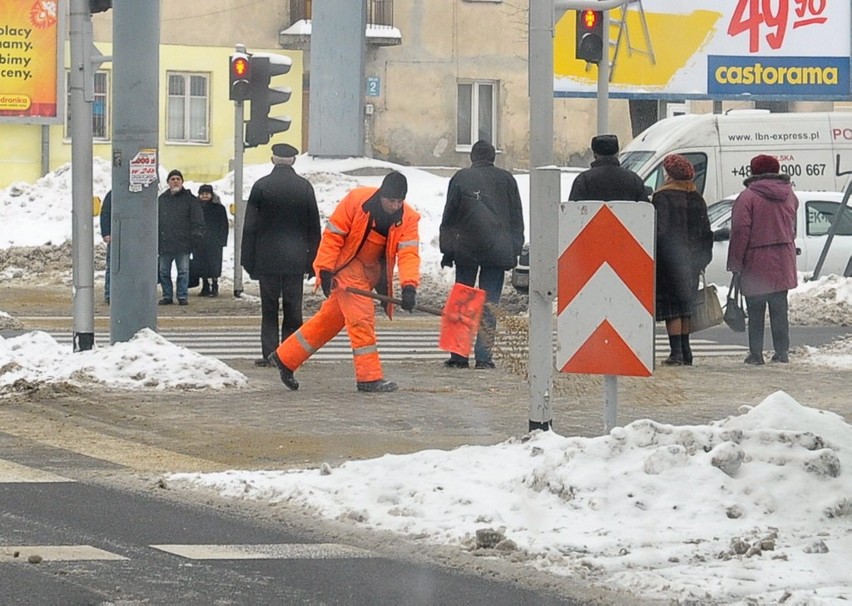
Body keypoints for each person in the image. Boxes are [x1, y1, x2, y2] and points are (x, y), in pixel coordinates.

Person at [268, 171, 420, 393]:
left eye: (399, 201)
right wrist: (325, 269)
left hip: (370, 273)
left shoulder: (409, 218)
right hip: (347, 267)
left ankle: (285, 357)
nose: (395, 205)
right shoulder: (356, 201)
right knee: (362, 319)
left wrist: (409, 286)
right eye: (391, 200)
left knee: (328, 320)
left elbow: (409, 254)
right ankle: (369, 377)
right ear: (381, 195)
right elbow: (333, 236)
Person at [438, 139, 524, 369]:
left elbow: (449, 217)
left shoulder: (461, 178)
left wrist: (447, 250)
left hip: (466, 249)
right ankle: (484, 357)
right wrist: (514, 249)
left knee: (463, 301)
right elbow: (517, 217)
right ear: (493, 157)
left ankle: (458, 355)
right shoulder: (507, 180)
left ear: (472, 157)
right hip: (496, 250)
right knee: (489, 303)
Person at [242, 143, 321, 367]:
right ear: (294, 161)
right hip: (295, 260)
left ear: (272, 160)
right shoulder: (304, 187)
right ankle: (289, 354)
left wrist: (248, 261)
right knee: (293, 309)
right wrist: (312, 262)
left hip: (266, 261)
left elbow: (250, 227)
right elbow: (313, 228)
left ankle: (270, 354)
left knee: (269, 309)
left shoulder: (261, 187)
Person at [727, 154, 798, 365]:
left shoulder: (747, 197)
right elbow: (792, 224)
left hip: (756, 260)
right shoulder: (789, 195)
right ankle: (782, 352)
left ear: (753, 172)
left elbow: (740, 231)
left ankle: (756, 354)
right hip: (783, 259)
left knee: (755, 309)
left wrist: (735, 262)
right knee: (779, 308)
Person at [650, 154, 713, 366]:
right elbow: (707, 232)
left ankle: (676, 353)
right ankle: (686, 351)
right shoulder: (697, 198)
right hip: (692, 261)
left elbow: (660, 231)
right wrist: (703, 259)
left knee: (672, 309)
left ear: (669, 174)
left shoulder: (663, 198)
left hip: (670, 261)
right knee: (686, 307)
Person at [158, 169, 205, 306]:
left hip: (183, 242)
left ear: (182, 181)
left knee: (183, 272)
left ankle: (182, 296)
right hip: (165, 242)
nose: (175, 181)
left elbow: (197, 218)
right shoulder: (162, 199)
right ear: (168, 182)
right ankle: (167, 295)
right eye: (172, 179)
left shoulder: (190, 200)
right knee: (163, 272)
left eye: (178, 179)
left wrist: (197, 234)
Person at [568, 134, 649, 202]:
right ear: (617, 153)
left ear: (594, 154)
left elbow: (572, 212)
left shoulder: (583, 180)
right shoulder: (634, 180)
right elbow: (645, 212)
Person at [193, 184, 229, 297]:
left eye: (207, 194)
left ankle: (214, 285)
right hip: (199, 242)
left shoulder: (219, 208)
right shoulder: (195, 207)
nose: (204, 196)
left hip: (214, 242)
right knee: (201, 265)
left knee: (214, 265)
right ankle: (205, 286)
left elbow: (224, 225)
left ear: (211, 195)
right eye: (202, 194)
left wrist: (222, 240)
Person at [99, 190, 112, 304]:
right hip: (115, 237)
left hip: (134, 239)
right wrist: (106, 233)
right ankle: (109, 294)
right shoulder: (112, 194)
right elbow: (105, 214)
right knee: (113, 266)